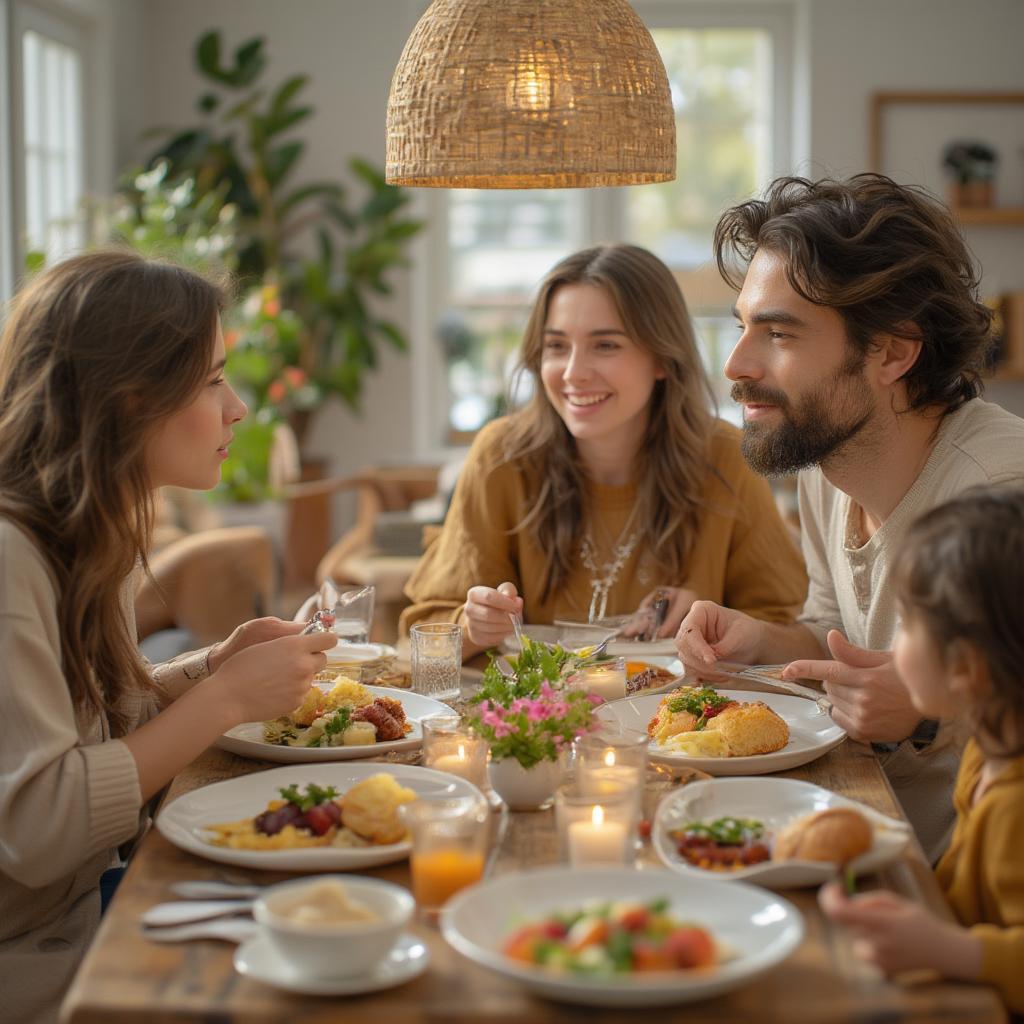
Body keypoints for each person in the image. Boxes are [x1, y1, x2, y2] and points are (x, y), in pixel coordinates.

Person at [0, 250, 337, 1024]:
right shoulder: (12, 559)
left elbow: (95, 731)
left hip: (87, 910)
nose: (239, 408)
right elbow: (41, 830)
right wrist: (222, 700)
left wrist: (212, 666)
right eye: (214, 379)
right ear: (128, 401)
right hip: (42, 964)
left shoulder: (93, 530)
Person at [674, 173, 1024, 862]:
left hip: (965, 900)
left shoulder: (999, 492)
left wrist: (925, 715)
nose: (736, 365)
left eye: (778, 333)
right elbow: (837, 629)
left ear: (892, 352)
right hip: (860, 833)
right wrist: (765, 642)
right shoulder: (829, 462)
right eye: (743, 327)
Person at [401, 243, 807, 662]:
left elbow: (791, 629)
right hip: (538, 724)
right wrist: (472, 628)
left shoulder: (726, 458)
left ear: (662, 359)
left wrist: (719, 623)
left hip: (674, 724)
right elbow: (419, 642)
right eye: (557, 346)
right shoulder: (500, 457)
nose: (574, 373)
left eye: (606, 345)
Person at [820, 486, 1024, 1016]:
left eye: (908, 623)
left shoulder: (1015, 807)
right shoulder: (990, 745)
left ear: (965, 669)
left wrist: (947, 949)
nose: (895, 637)